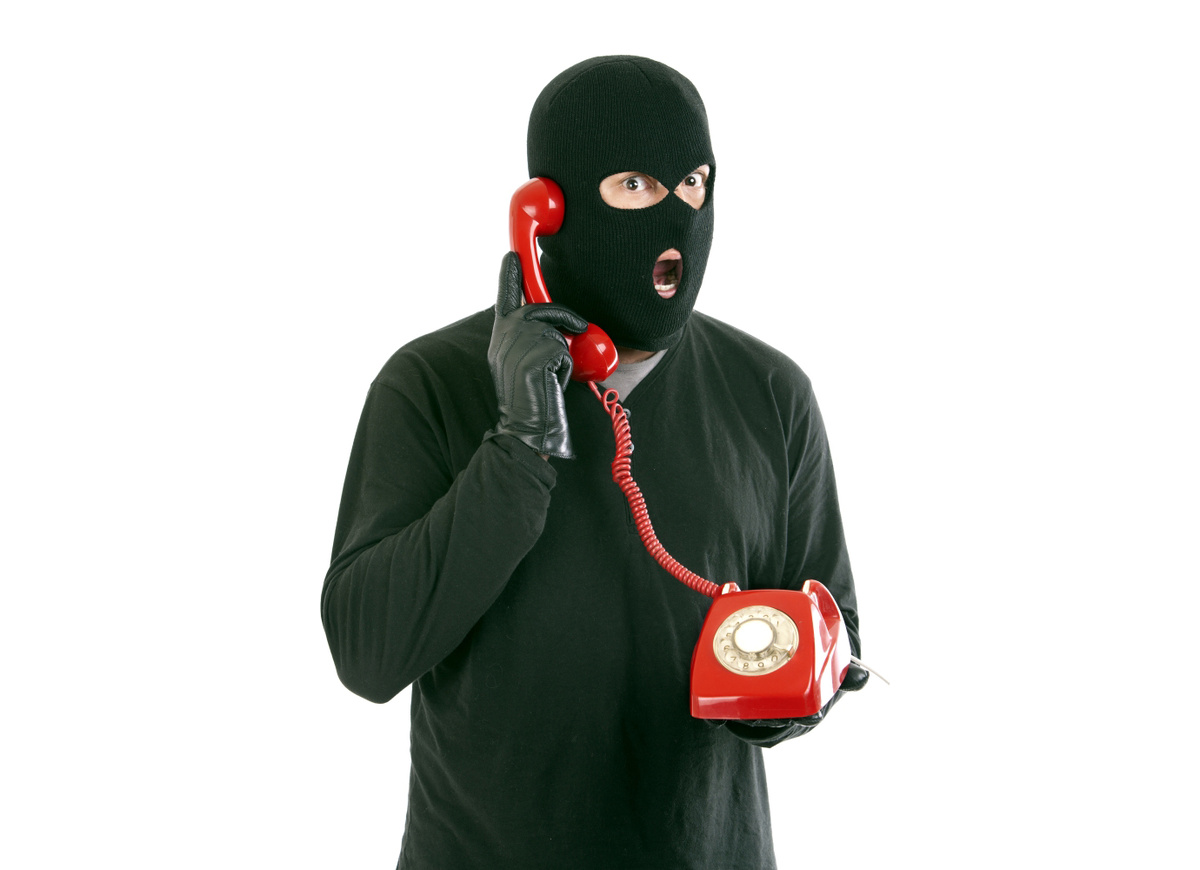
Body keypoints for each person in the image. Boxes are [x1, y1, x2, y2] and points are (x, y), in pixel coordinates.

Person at [322, 55, 866, 870]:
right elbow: (367, 653)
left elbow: (830, 622)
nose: (675, 216)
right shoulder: (430, 382)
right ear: (548, 209)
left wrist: (786, 700)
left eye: (692, 184)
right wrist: (519, 443)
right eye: (635, 187)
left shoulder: (770, 390)